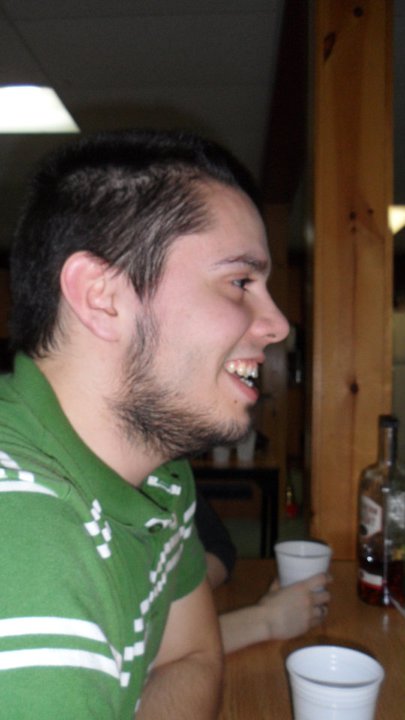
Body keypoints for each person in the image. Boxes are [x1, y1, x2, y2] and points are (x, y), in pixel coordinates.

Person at [0, 128, 289, 719]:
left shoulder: (155, 464)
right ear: (101, 296)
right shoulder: (24, 551)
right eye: (240, 282)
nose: (278, 324)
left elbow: (190, 657)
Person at [194, 469, 332, 654]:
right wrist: (268, 620)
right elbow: (159, 650)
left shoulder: (171, 471)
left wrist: (187, 591)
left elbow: (220, 547)